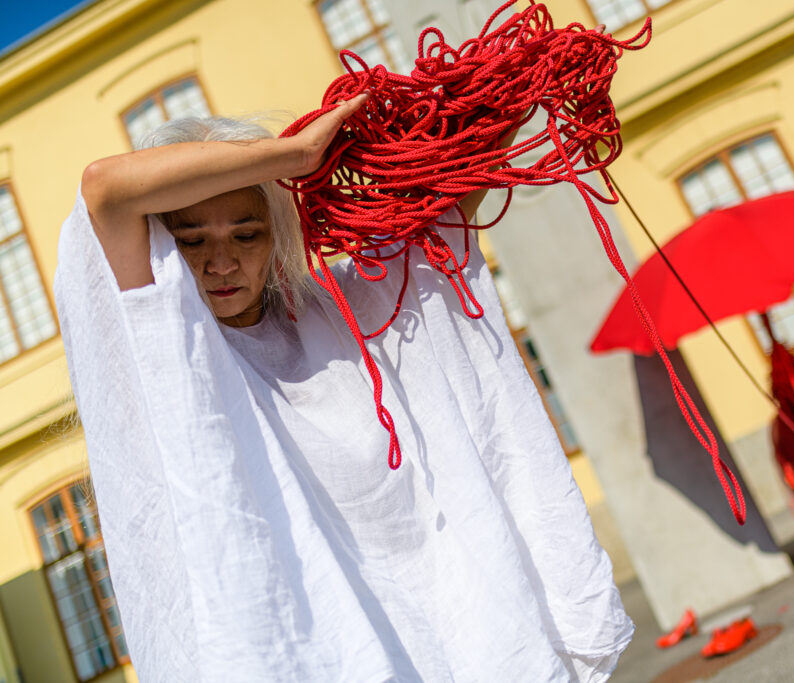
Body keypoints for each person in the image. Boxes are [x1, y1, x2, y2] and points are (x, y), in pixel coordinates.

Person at [55, 94, 633, 681]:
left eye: (247, 235)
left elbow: (446, 218)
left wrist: (515, 95)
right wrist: (294, 155)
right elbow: (104, 188)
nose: (221, 263)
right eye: (192, 240)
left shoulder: (342, 313)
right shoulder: (160, 347)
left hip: (430, 647)